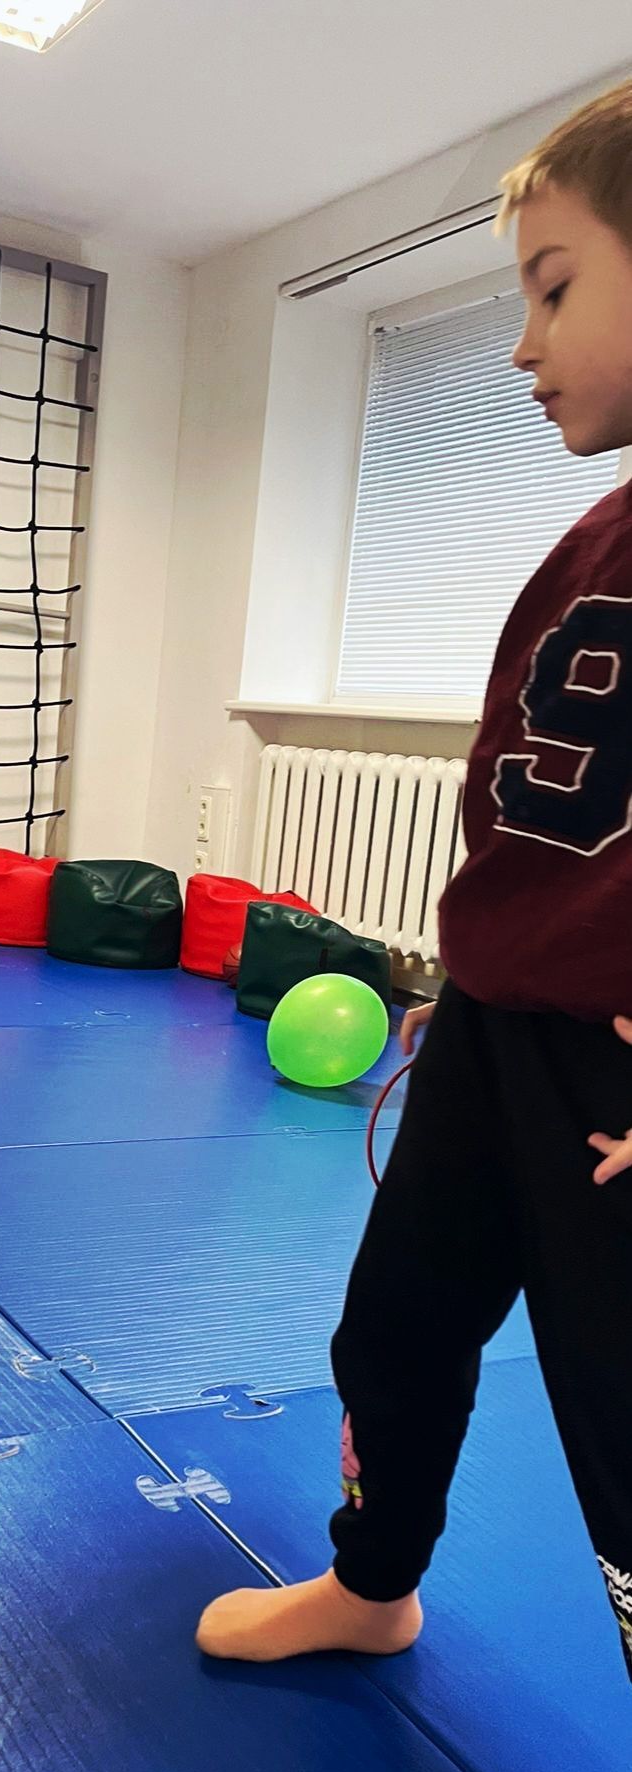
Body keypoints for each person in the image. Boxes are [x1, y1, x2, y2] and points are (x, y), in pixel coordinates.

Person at [197, 80, 632, 1680]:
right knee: (393, 1327)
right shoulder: (592, 534)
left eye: (555, 285)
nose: (519, 344)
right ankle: (372, 1582)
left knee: (619, 1417)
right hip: (492, 1030)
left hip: (608, 1072)